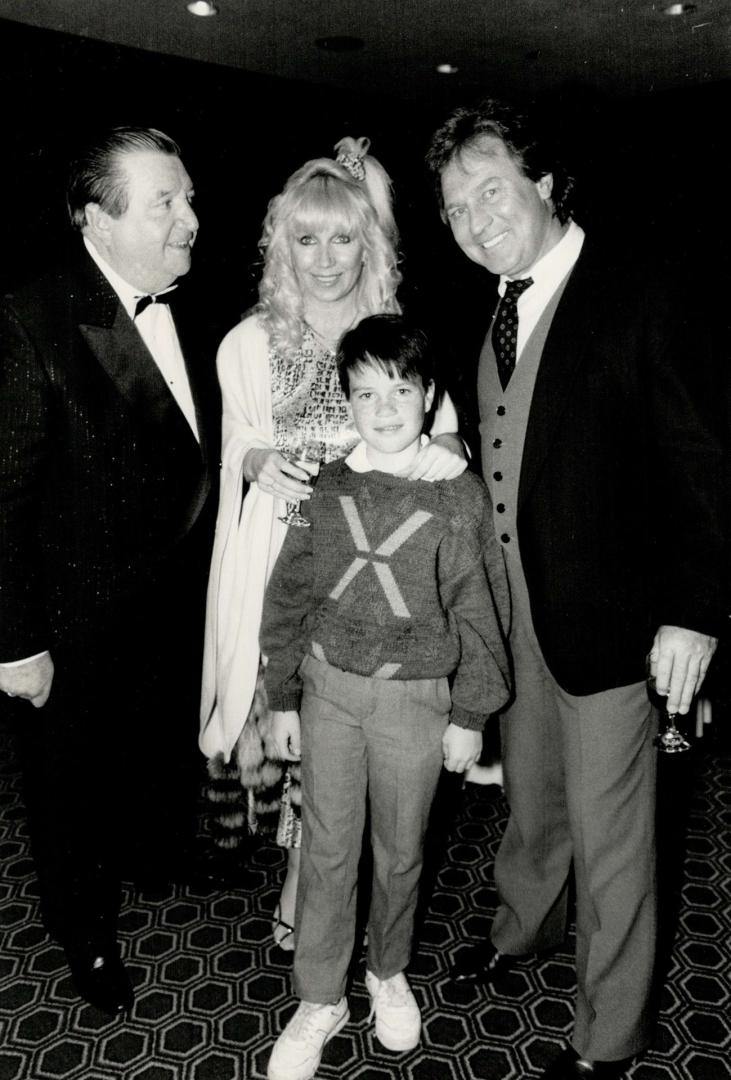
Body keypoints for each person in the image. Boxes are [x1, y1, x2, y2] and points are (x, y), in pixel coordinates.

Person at [425, 99, 725, 1079]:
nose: (473, 221)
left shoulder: (641, 288)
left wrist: (691, 609)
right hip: (514, 620)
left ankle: (606, 1035)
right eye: (454, 209)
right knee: (533, 804)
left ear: (545, 183)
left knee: (611, 841)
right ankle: (523, 931)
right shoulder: (495, 303)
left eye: (489, 192)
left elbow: (703, 460)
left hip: (614, 625)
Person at [199, 138, 466, 949]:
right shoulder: (247, 342)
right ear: (281, 244)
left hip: (373, 580)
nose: (323, 258)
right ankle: (307, 880)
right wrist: (254, 457)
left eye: (341, 237)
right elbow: (236, 438)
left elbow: (448, 444)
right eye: (305, 239)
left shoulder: (395, 338)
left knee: (346, 737)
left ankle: (309, 888)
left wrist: (401, 463)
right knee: (296, 730)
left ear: (369, 243)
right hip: (279, 565)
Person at [0, 126, 220, 1014]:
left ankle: (157, 854)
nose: (191, 220)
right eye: (166, 201)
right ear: (98, 218)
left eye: (190, 197)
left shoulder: (193, 309)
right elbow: (2, 497)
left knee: (146, 761)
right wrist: (14, 642)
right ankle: (82, 933)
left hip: (168, 607)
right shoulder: (32, 315)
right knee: (68, 791)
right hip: (74, 620)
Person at [261, 314, 510, 1080]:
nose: (384, 407)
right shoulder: (318, 487)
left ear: (429, 397)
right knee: (328, 850)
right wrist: (279, 696)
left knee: (400, 853)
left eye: (400, 389)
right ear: (346, 400)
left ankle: (387, 972)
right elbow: (289, 591)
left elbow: (480, 610)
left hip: (416, 701)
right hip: (329, 693)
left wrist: (471, 714)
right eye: (364, 392)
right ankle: (320, 996)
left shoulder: (458, 499)